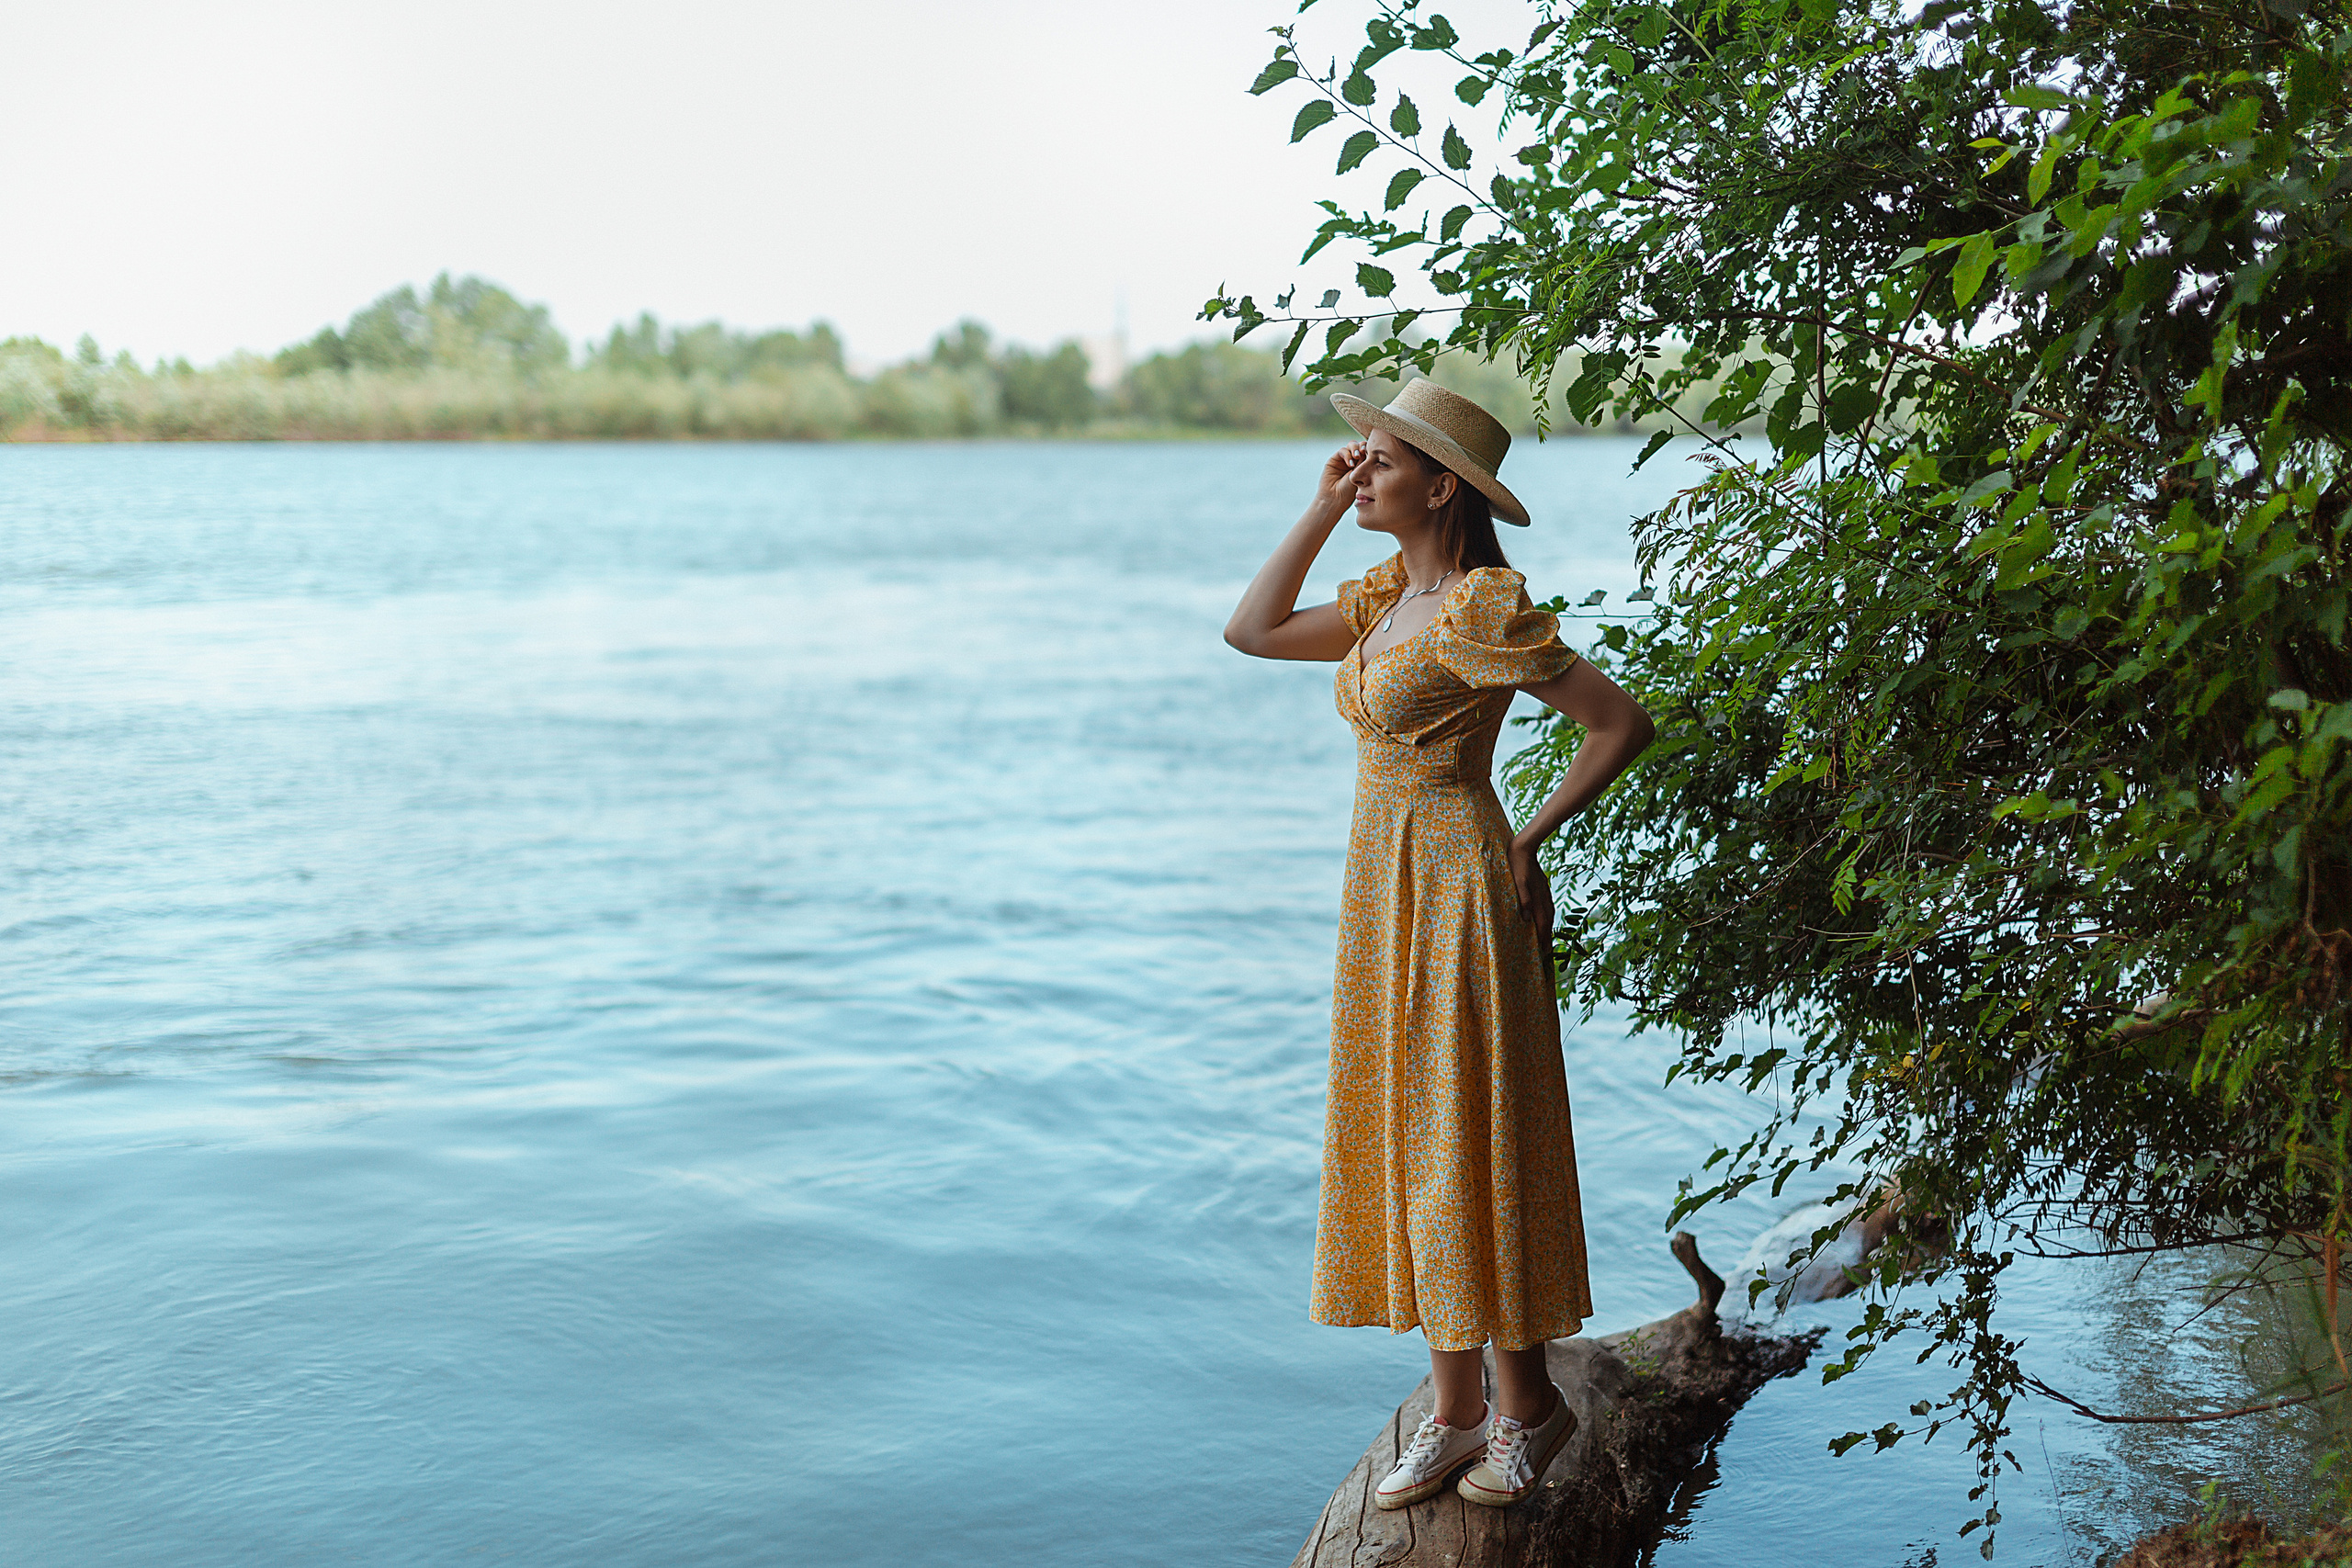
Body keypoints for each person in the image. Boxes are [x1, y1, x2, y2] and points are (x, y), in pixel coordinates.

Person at [1224, 378, 1655, 1509]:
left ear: (1442, 483)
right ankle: (1454, 1412)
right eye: (1356, 456)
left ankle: (1529, 1413)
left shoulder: (1478, 607)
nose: (1360, 470)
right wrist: (1319, 507)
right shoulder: (1382, 602)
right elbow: (1251, 629)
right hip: (1380, 896)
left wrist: (1531, 835)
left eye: (1378, 459)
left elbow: (1618, 723)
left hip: (1461, 885)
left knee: (1467, 1133)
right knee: (1409, 1132)